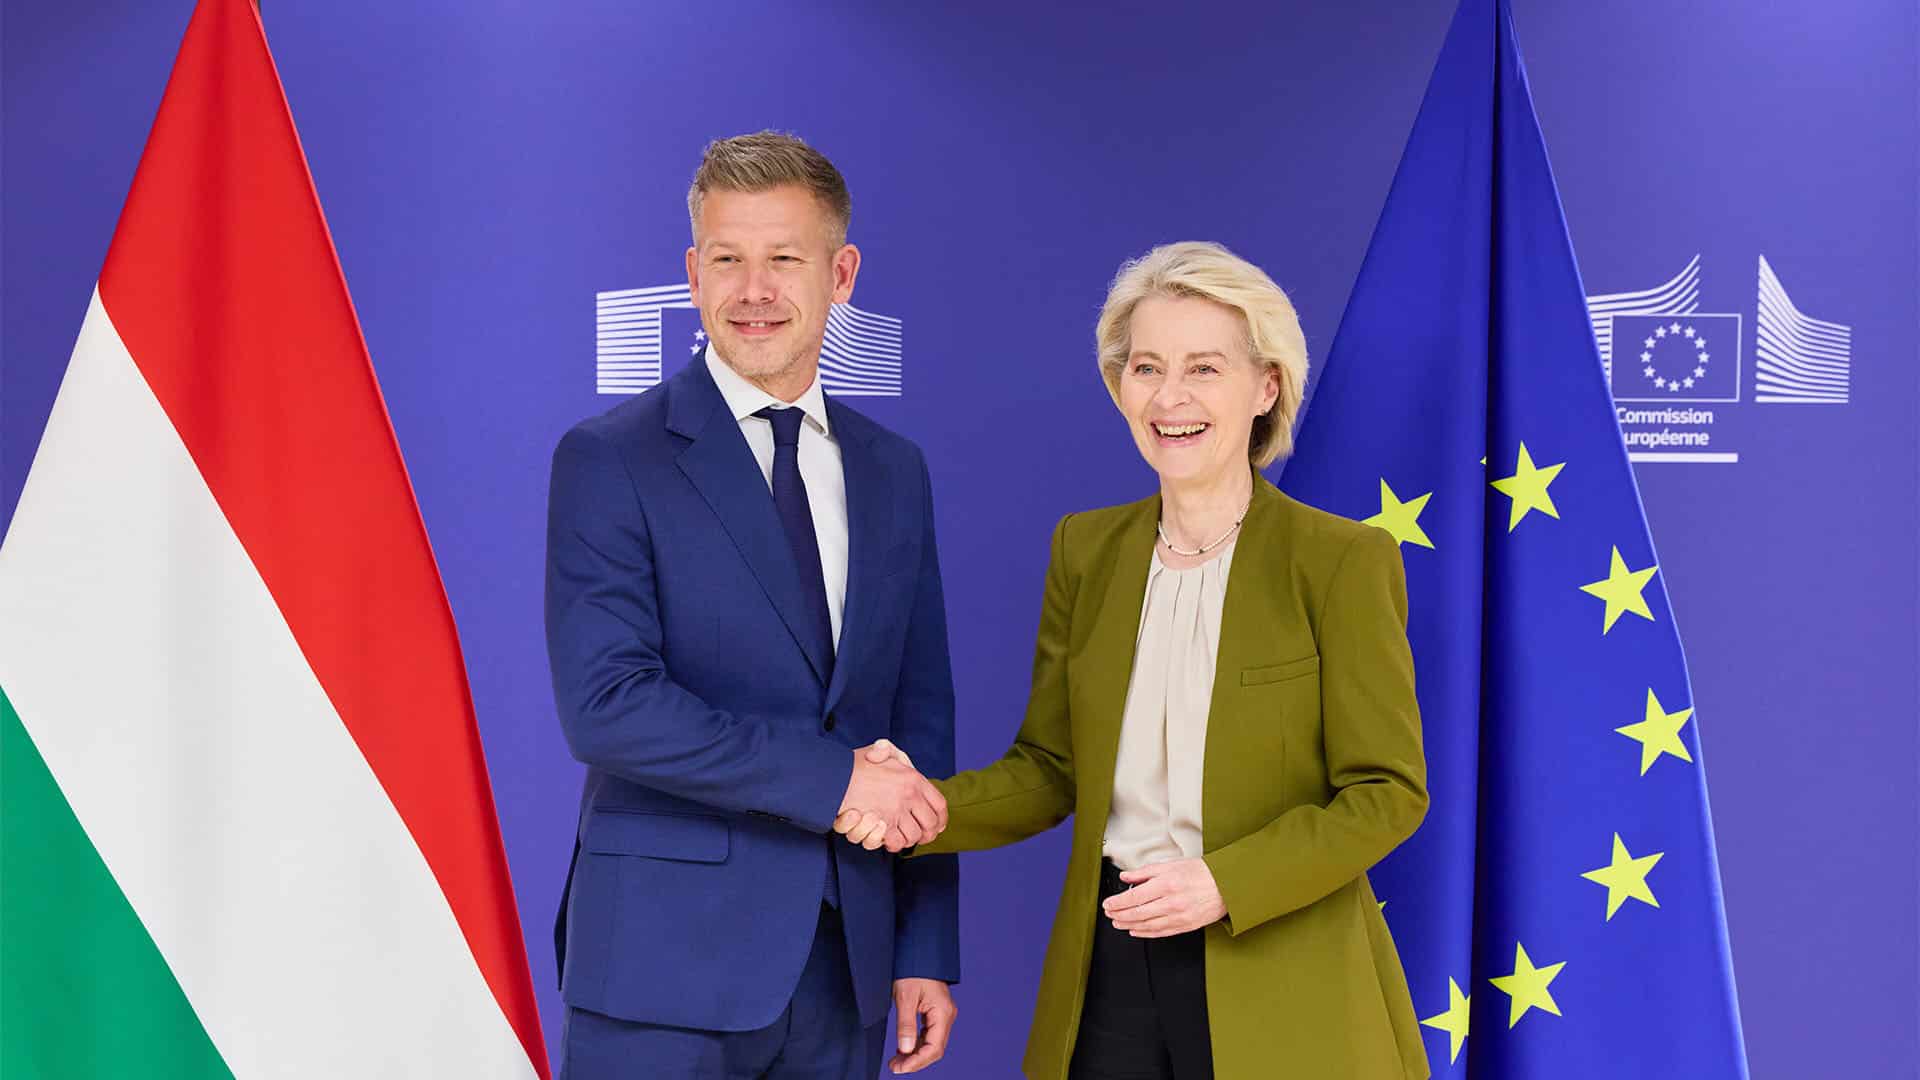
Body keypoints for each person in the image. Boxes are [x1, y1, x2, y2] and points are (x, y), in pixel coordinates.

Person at [841, 241, 1431, 1079]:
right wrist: (913, 804)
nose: (1171, 397)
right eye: (1147, 368)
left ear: (1266, 388)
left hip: (1282, 967)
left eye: (1205, 368)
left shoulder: (1339, 562)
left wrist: (1227, 881)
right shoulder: (1088, 550)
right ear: (1121, 387)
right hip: (1111, 966)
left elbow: (1387, 793)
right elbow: (1050, 770)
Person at [546, 131, 959, 1079]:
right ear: (693, 275)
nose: (754, 290)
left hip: (846, 971)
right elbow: (607, 706)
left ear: (841, 273)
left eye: (784, 259)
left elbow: (918, 717)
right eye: (728, 259)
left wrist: (923, 944)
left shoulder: (895, 470)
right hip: (662, 971)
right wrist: (835, 783)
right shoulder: (611, 458)